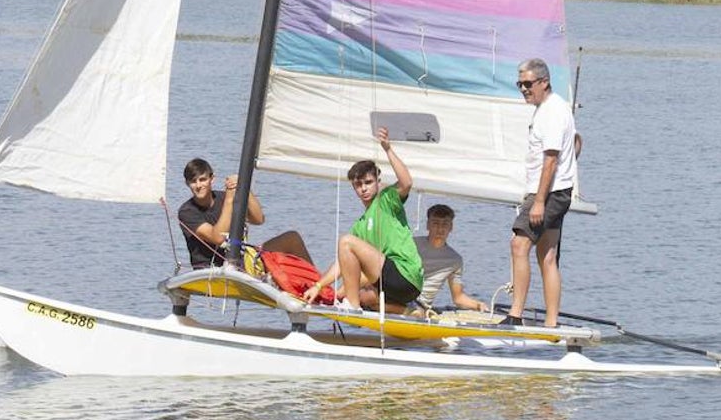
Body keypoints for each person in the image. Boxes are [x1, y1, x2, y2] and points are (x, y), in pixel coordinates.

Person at [303, 128, 423, 312]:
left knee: (345, 241)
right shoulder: (360, 225)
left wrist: (387, 149)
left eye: (368, 183)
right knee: (356, 283)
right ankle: (410, 312)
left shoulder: (387, 200)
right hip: (391, 285)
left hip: (406, 277)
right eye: (358, 185)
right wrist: (318, 286)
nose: (363, 189)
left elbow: (406, 182)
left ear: (378, 181)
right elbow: (341, 265)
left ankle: (352, 305)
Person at [503, 58, 577, 328]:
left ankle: (515, 315)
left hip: (547, 194)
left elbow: (551, 160)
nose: (523, 88)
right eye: (519, 84)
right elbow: (577, 142)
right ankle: (551, 324)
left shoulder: (552, 111)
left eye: (528, 83)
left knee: (518, 245)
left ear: (544, 82)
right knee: (546, 255)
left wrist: (540, 202)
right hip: (558, 191)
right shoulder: (553, 108)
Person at [176, 158, 312, 268]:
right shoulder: (186, 212)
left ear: (212, 179)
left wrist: (244, 186)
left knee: (292, 238)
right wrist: (230, 200)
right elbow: (217, 238)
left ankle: (319, 287)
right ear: (187, 183)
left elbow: (258, 219)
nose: (199, 186)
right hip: (211, 269)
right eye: (193, 182)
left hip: (243, 261)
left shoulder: (223, 196)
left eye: (202, 179)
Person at [411, 204, 487, 314]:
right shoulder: (411, 245)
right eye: (435, 223)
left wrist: (478, 305)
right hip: (403, 297)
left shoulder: (455, 260)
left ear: (451, 227)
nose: (440, 229)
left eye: (445, 224)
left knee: (418, 311)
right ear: (428, 225)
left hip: (421, 306)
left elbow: (458, 298)